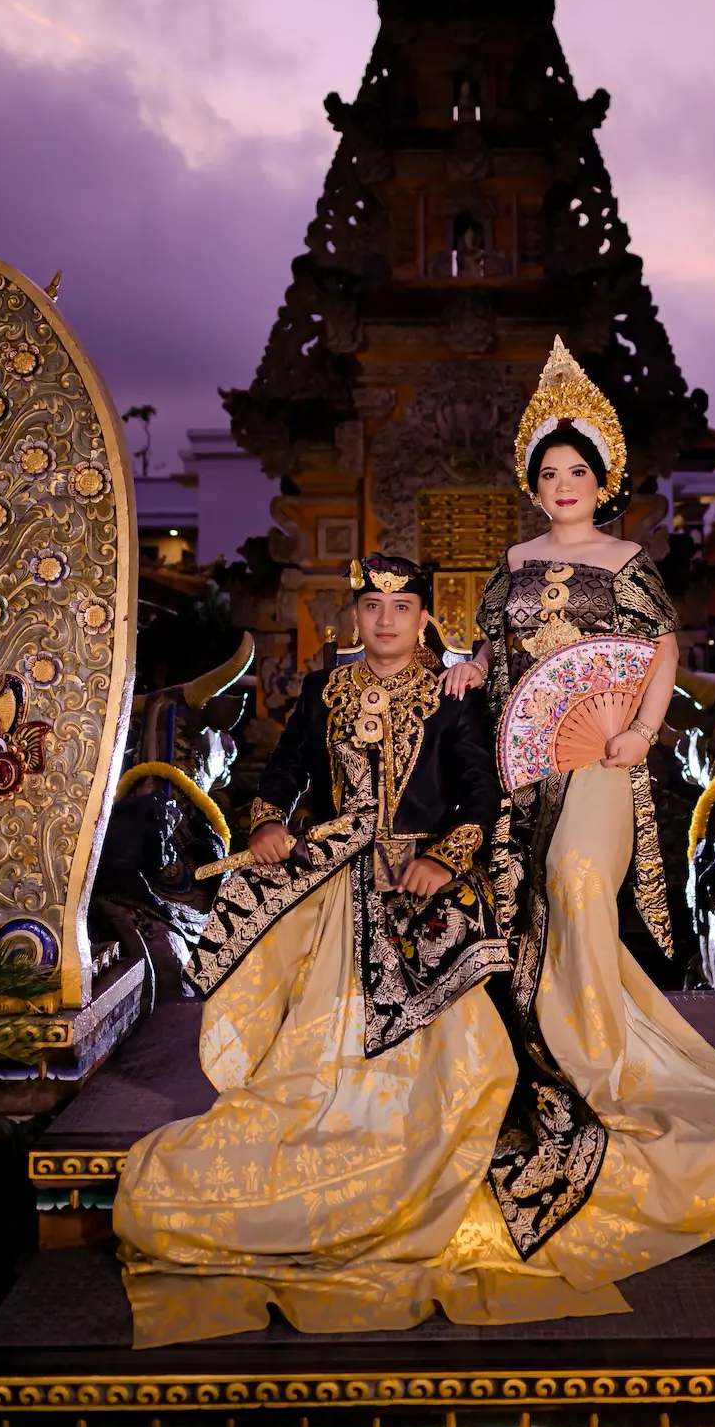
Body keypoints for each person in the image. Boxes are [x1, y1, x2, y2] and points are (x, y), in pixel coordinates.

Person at [436, 337, 715, 1289]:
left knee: (579, 882)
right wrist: (467, 665)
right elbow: (492, 650)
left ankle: (599, 1058)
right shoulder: (510, 564)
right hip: (527, 762)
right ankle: (551, 1046)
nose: (562, 486)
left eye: (577, 472)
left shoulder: (629, 560)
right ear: (533, 484)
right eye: (548, 474)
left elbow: (662, 648)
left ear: (603, 482)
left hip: (601, 755)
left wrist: (639, 728)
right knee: (529, 908)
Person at [115, 555, 520, 1345]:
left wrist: (446, 857)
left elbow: (481, 792)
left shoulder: (454, 693)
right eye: (372, 607)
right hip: (337, 873)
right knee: (307, 1021)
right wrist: (270, 819)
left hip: (422, 873)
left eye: (402, 607)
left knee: (468, 1042)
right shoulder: (323, 689)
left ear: (425, 618)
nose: (386, 620)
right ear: (355, 616)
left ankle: (425, 1136)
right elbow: (288, 768)